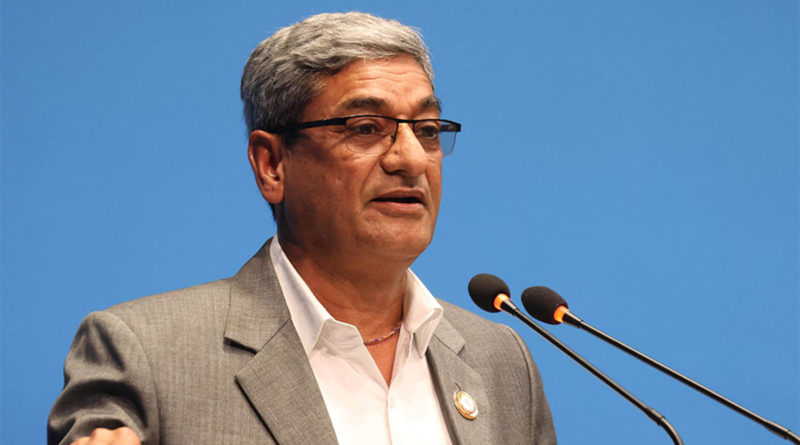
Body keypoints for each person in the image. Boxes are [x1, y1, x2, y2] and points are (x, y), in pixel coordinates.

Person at [48, 12, 556, 445]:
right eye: (365, 129)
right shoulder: (146, 353)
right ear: (272, 165)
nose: (411, 159)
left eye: (426, 130)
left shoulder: (501, 361)